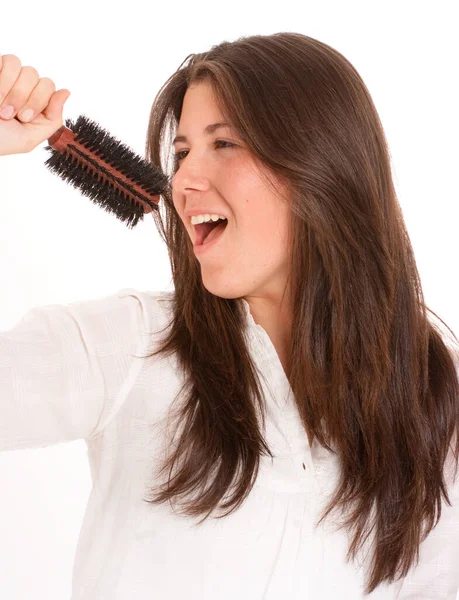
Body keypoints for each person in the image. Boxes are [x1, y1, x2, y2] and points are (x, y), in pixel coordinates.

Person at [1, 32, 458, 600]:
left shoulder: (432, 386)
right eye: (182, 151)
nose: (183, 180)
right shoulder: (126, 346)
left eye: (224, 144)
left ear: (322, 162)